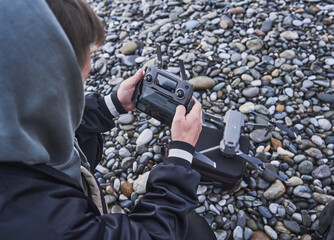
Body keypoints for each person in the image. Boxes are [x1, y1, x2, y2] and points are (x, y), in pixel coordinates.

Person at [0, 0, 216, 239]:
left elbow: (47, 120)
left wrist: (109, 105)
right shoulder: (49, 222)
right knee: (194, 230)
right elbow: (151, 235)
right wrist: (180, 156)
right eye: (75, 83)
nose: (90, 67)